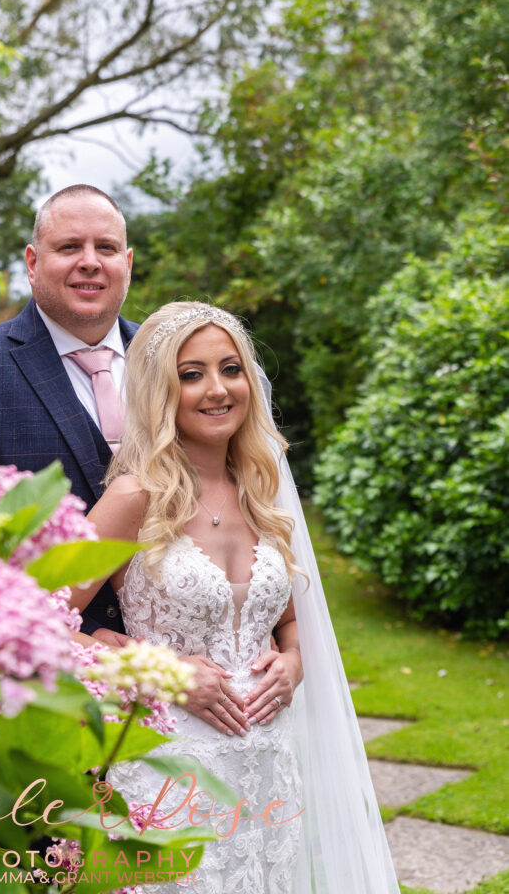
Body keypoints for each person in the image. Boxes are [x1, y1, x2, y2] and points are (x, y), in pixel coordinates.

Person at [70, 301, 400, 894]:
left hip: (269, 769)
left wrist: (295, 662)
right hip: (165, 771)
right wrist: (149, 670)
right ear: (159, 390)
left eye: (231, 368)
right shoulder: (133, 498)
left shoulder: (263, 490)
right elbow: (28, 624)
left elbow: (293, 619)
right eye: (191, 374)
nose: (217, 389)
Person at [0, 184, 137, 634]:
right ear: (33, 263)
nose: (90, 261)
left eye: (106, 248)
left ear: (127, 264)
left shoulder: (177, 362)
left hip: (203, 671)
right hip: (42, 673)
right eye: (70, 246)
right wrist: (80, 640)